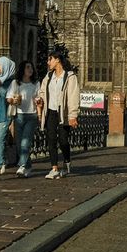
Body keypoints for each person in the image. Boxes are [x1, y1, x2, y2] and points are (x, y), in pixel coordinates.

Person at [37, 45, 80, 179]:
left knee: (63, 140)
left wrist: (73, 115)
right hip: (50, 111)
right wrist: (40, 100)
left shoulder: (70, 77)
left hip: (64, 112)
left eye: (50, 59)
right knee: (51, 139)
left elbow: (74, 96)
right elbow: (43, 92)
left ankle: (67, 162)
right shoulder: (48, 77)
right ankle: (54, 168)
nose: (48, 62)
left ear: (57, 60)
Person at [9, 60, 38, 177]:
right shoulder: (15, 83)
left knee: (25, 142)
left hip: (31, 115)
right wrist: (13, 100)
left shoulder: (36, 83)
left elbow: (38, 97)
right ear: (22, 70)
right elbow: (9, 98)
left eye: (31, 67)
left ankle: (21, 165)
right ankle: (28, 166)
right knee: (19, 142)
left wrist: (39, 100)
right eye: (27, 67)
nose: (30, 69)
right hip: (19, 115)